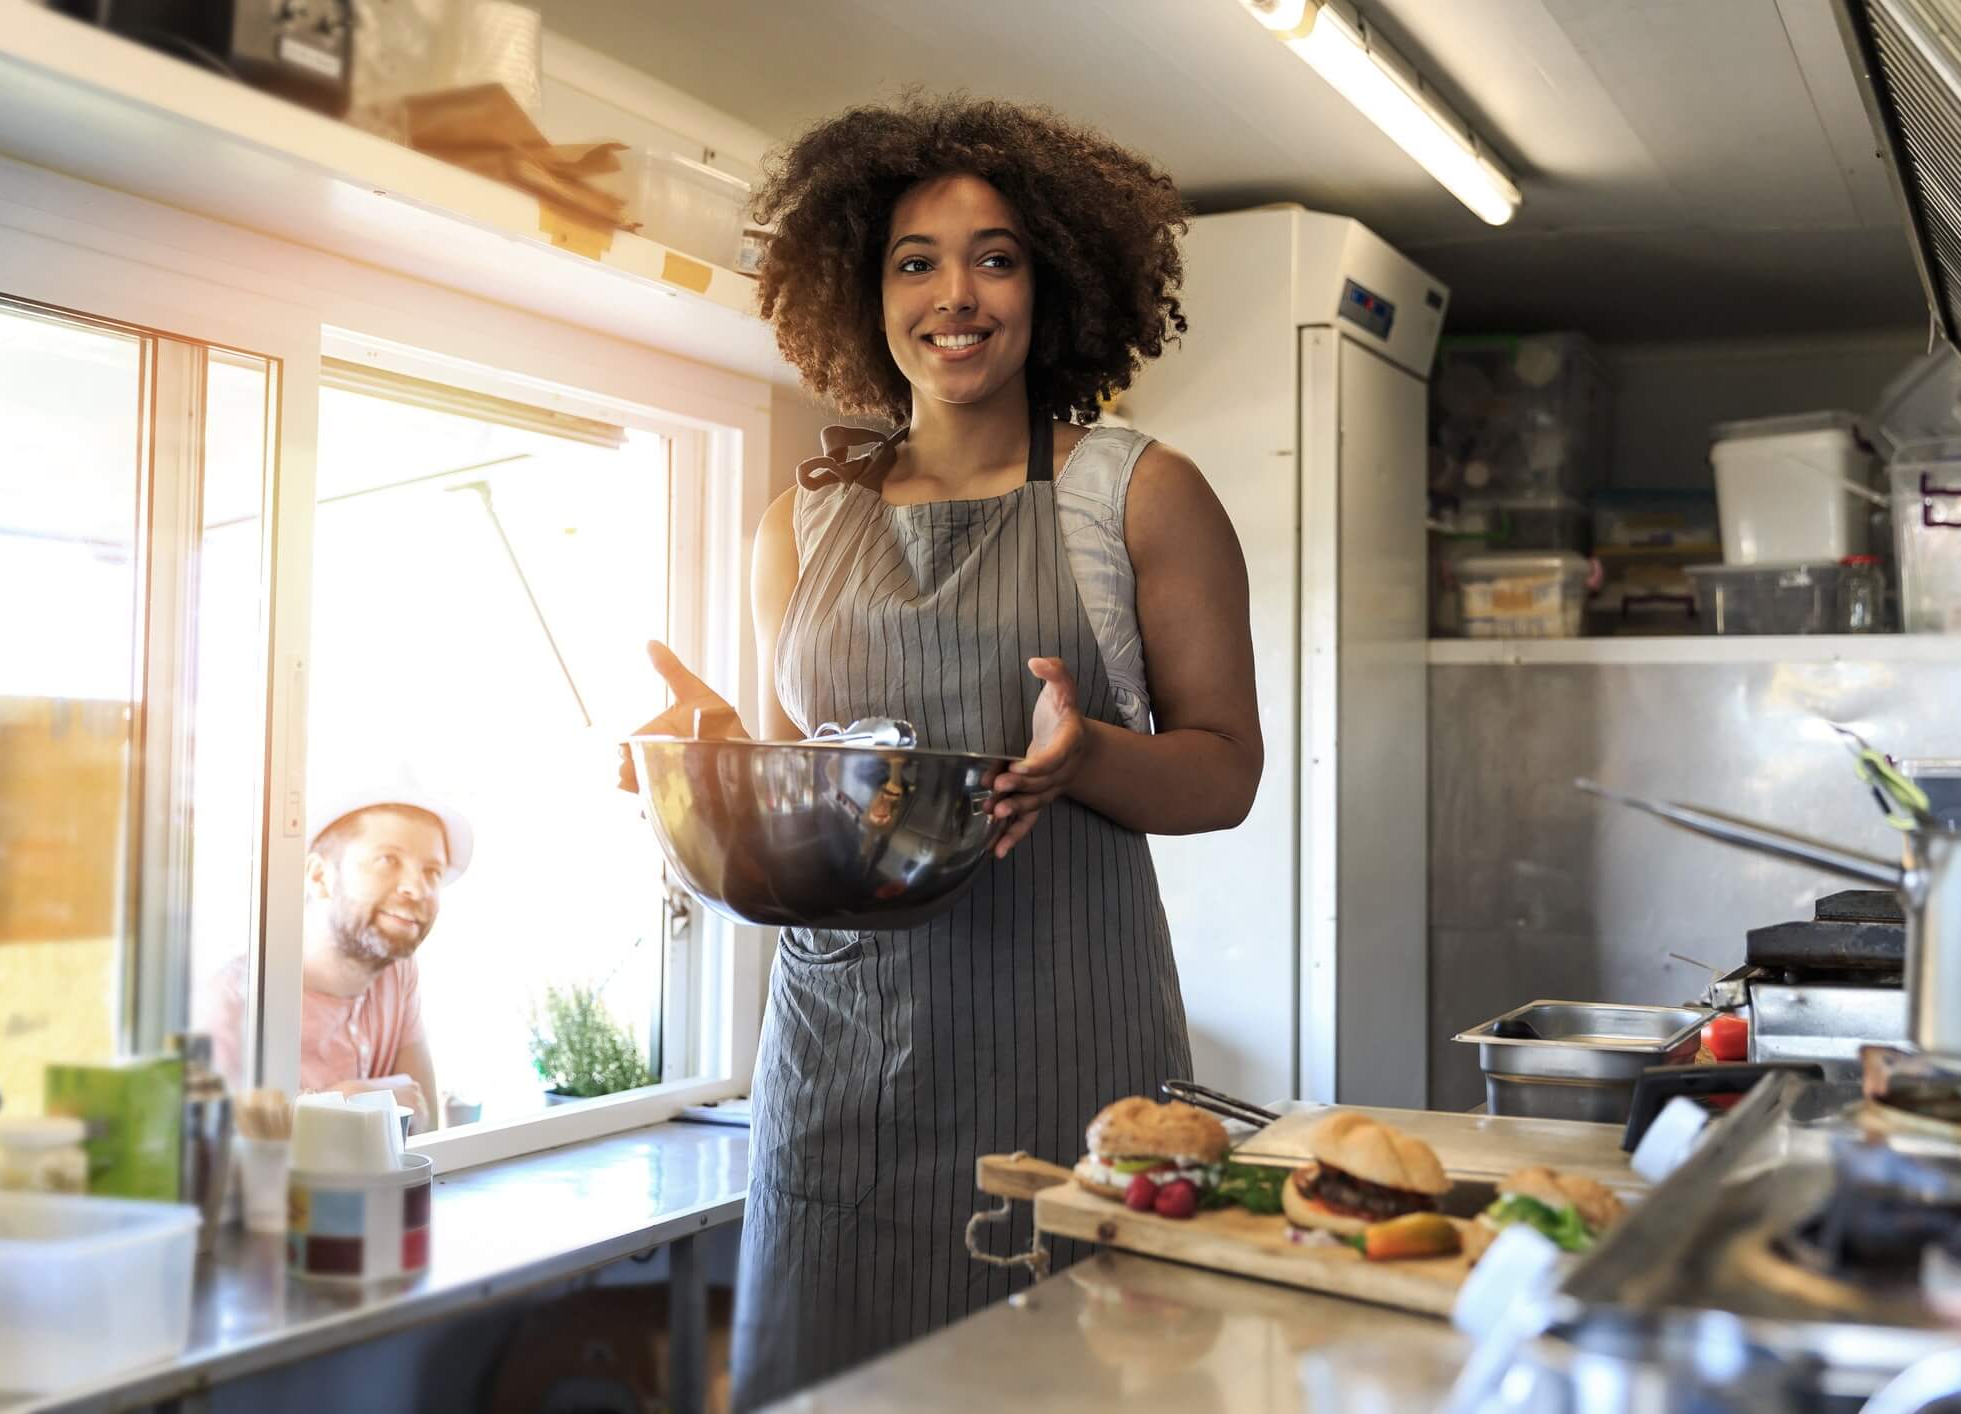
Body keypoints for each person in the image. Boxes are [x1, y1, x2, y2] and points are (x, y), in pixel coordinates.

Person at [620, 96, 1262, 1408]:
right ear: (863, 292)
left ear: (1054, 285)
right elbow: (818, 791)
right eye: (914, 259)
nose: (952, 294)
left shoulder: (1136, 495)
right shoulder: (800, 523)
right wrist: (710, 758)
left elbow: (1226, 767)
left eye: (995, 256)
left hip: (1063, 1051)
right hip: (840, 1072)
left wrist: (1088, 760)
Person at [204, 773, 473, 1134]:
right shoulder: (234, 999)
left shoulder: (398, 973)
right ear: (318, 877)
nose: (417, 888)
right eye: (388, 860)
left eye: (432, 871)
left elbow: (423, 1124)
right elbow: (218, 1156)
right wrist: (348, 1100)